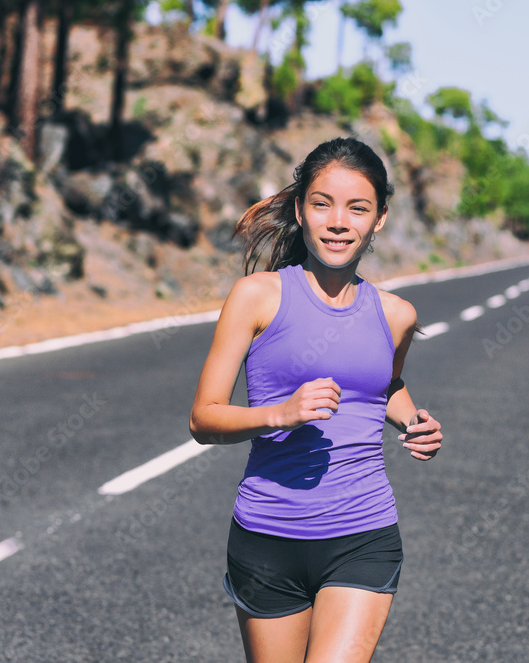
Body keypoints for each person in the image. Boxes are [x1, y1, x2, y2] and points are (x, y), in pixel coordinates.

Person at [188, 136, 443, 663]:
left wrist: (413, 421)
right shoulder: (257, 296)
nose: (338, 221)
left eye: (358, 208)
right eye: (323, 203)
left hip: (363, 532)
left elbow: (383, 386)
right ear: (301, 209)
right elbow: (203, 418)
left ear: (379, 220)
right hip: (267, 536)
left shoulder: (396, 314)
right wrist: (278, 414)